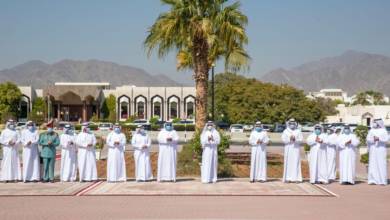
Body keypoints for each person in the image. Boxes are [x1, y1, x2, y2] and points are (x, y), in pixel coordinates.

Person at [366, 118, 389, 185]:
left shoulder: (384, 131)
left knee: (381, 164)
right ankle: (372, 180)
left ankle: (382, 180)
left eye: (376, 122)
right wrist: (373, 139)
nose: (375, 123)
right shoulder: (371, 131)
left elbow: (387, 139)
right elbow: (368, 139)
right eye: (374, 122)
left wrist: (379, 139)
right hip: (373, 149)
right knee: (373, 164)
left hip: (381, 149)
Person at [281, 118, 303, 183]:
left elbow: (301, 139)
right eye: (291, 123)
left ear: (295, 124)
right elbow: (283, 140)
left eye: (293, 123)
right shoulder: (285, 131)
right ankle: (288, 178)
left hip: (296, 149)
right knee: (288, 163)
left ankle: (297, 178)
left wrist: (295, 139)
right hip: (288, 149)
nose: (292, 125)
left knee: (296, 163)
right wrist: (289, 139)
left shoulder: (298, 131)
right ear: (288, 124)